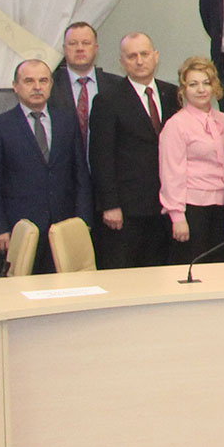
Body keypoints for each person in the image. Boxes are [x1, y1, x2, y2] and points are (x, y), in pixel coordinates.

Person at [0, 59, 90, 274]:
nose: (37, 87)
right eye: (29, 81)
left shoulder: (67, 122)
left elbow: (80, 174)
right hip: (19, 230)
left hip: (63, 227)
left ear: (51, 85)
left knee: (64, 289)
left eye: (43, 81)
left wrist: (83, 220)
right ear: (16, 86)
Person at [90, 32, 179, 269]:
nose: (139, 61)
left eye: (144, 54)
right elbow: (101, 157)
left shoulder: (173, 95)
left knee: (162, 274)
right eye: (132, 56)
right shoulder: (107, 100)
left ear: (155, 56)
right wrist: (110, 205)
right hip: (127, 209)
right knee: (126, 275)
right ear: (122, 62)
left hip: (166, 206)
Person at [159, 56, 224, 265]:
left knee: (222, 269)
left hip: (223, 206)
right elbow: (171, 173)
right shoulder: (176, 125)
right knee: (194, 267)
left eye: (206, 83)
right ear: (183, 89)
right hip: (192, 209)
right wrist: (177, 216)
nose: (201, 90)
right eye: (193, 84)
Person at [50, 21, 106, 141]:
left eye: (86, 43)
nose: (80, 48)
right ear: (64, 49)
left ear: (95, 48)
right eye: (73, 43)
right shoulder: (49, 86)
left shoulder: (116, 86)